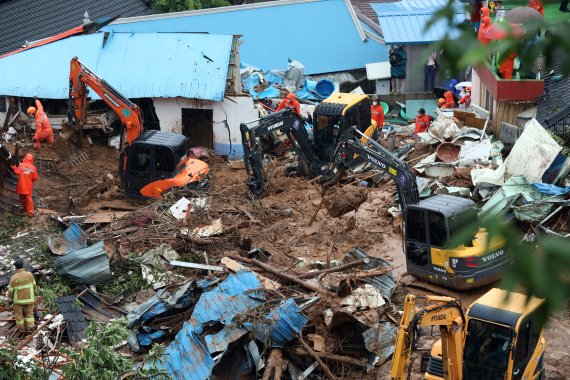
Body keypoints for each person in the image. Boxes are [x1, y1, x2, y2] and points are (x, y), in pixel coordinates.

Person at [8, 259, 37, 334]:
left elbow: (10, 291)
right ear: (22, 266)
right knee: (29, 315)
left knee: (19, 317)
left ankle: (22, 331)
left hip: (18, 302)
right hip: (29, 299)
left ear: (16, 267)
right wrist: (33, 294)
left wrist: (9, 300)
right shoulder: (29, 274)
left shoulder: (14, 278)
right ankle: (30, 330)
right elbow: (34, 286)